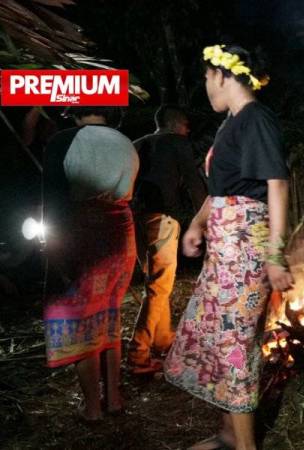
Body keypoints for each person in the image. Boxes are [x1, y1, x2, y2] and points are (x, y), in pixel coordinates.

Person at [163, 44, 294, 450]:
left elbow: (276, 184)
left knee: (234, 342)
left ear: (223, 75)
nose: (205, 86)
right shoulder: (231, 125)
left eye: (206, 77)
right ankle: (226, 434)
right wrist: (197, 223)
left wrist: (274, 254)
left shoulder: (256, 118)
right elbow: (221, 191)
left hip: (245, 246)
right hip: (224, 247)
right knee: (217, 336)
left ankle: (245, 446)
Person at [43, 106, 138, 422]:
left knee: (80, 319)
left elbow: (53, 198)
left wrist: (53, 244)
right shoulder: (126, 142)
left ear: (75, 110)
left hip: (83, 233)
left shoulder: (64, 140)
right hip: (122, 232)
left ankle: (93, 408)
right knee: (109, 314)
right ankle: (114, 398)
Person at [127, 105, 207, 374]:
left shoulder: (138, 144)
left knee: (155, 281)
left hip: (134, 217)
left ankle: (162, 338)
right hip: (161, 217)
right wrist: (205, 217)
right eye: (186, 126)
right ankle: (138, 354)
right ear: (176, 124)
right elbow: (194, 182)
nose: (187, 130)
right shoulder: (176, 141)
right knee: (159, 286)